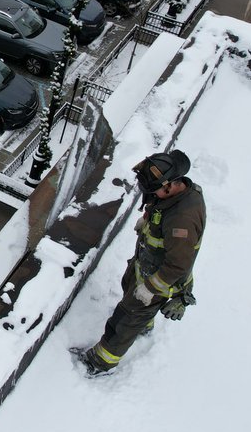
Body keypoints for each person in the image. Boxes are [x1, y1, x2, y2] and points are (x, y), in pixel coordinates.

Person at [79, 150, 206, 375]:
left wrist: (150, 289)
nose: (149, 195)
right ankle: (144, 324)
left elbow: (178, 265)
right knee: (129, 290)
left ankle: (100, 363)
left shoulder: (182, 221)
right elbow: (158, 209)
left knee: (125, 320)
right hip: (145, 266)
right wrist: (147, 222)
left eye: (153, 190)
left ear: (170, 185)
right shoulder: (172, 196)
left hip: (157, 280)